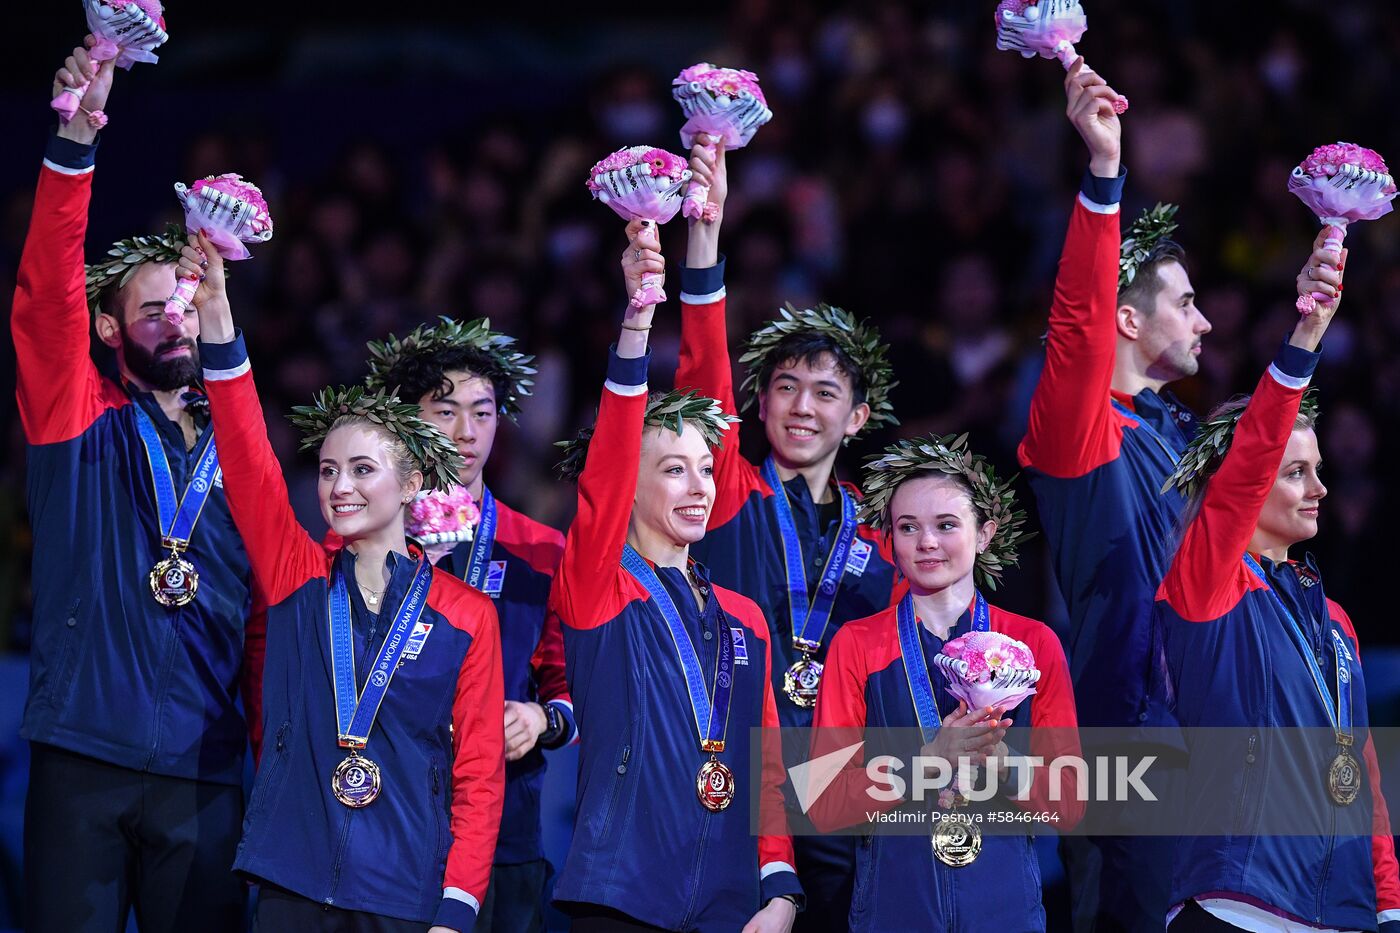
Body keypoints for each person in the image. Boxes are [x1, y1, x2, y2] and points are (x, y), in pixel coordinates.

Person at [186, 236, 505, 932]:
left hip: (404, 894)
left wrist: (459, 907)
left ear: (412, 481)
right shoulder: (297, 578)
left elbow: (480, 777)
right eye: (329, 470)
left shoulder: (466, 614)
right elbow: (246, 457)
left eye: (362, 469)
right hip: (291, 881)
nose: (339, 486)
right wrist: (217, 317)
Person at [16, 41, 259, 932]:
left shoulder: (239, 444)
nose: (173, 319)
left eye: (186, 306)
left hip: (204, 765)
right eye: (152, 307)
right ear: (110, 329)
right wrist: (76, 137)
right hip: (84, 750)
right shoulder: (76, 417)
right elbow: (45, 296)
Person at [549, 220, 802, 932]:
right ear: (626, 483)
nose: (699, 487)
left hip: (732, 906)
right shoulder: (599, 587)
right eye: (670, 469)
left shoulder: (746, 618)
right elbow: (605, 468)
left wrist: (780, 890)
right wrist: (637, 320)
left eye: (704, 469)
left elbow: (769, 767)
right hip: (621, 898)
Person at [675, 134, 900, 929]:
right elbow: (699, 368)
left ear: (858, 416)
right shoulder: (730, 488)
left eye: (826, 392)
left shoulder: (883, 533)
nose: (803, 406)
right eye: (785, 387)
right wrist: (706, 232)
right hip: (737, 772)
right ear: (758, 404)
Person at [1157, 238, 1400, 932]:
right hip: (1241, 903)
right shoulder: (1207, 585)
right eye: (1295, 471)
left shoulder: (1338, 623)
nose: (1319, 487)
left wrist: (1387, 902)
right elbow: (1249, 458)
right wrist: (1306, 333)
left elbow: (1366, 782)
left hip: (1342, 911)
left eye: (1317, 468)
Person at [1016, 58, 1208, 929]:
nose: (1205, 321)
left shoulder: (1180, 435)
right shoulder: (1082, 432)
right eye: (1187, 302)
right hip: (1123, 743)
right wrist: (1103, 172)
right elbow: (1076, 323)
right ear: (1129, 319)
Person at [810, 433, 1081, 931]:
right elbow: (825, 803)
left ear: (985, 534)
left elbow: (1070, 803)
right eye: (908, 527)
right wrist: (928, 761)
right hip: (893, 911)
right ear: (890, 540)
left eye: (946, 525)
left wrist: (1007, 768)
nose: (927, 542)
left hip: (1005, 913)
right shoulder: (857, 644)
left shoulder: (1033, 642)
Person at [364, 317, 574, 932]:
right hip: (384, 811)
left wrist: (544, 718)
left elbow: (570, 683)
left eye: (482, 413)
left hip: (506, 822)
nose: (465, 432)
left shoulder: (540, 549)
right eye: (445, 409)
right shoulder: (359, 541)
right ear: (406, 418)